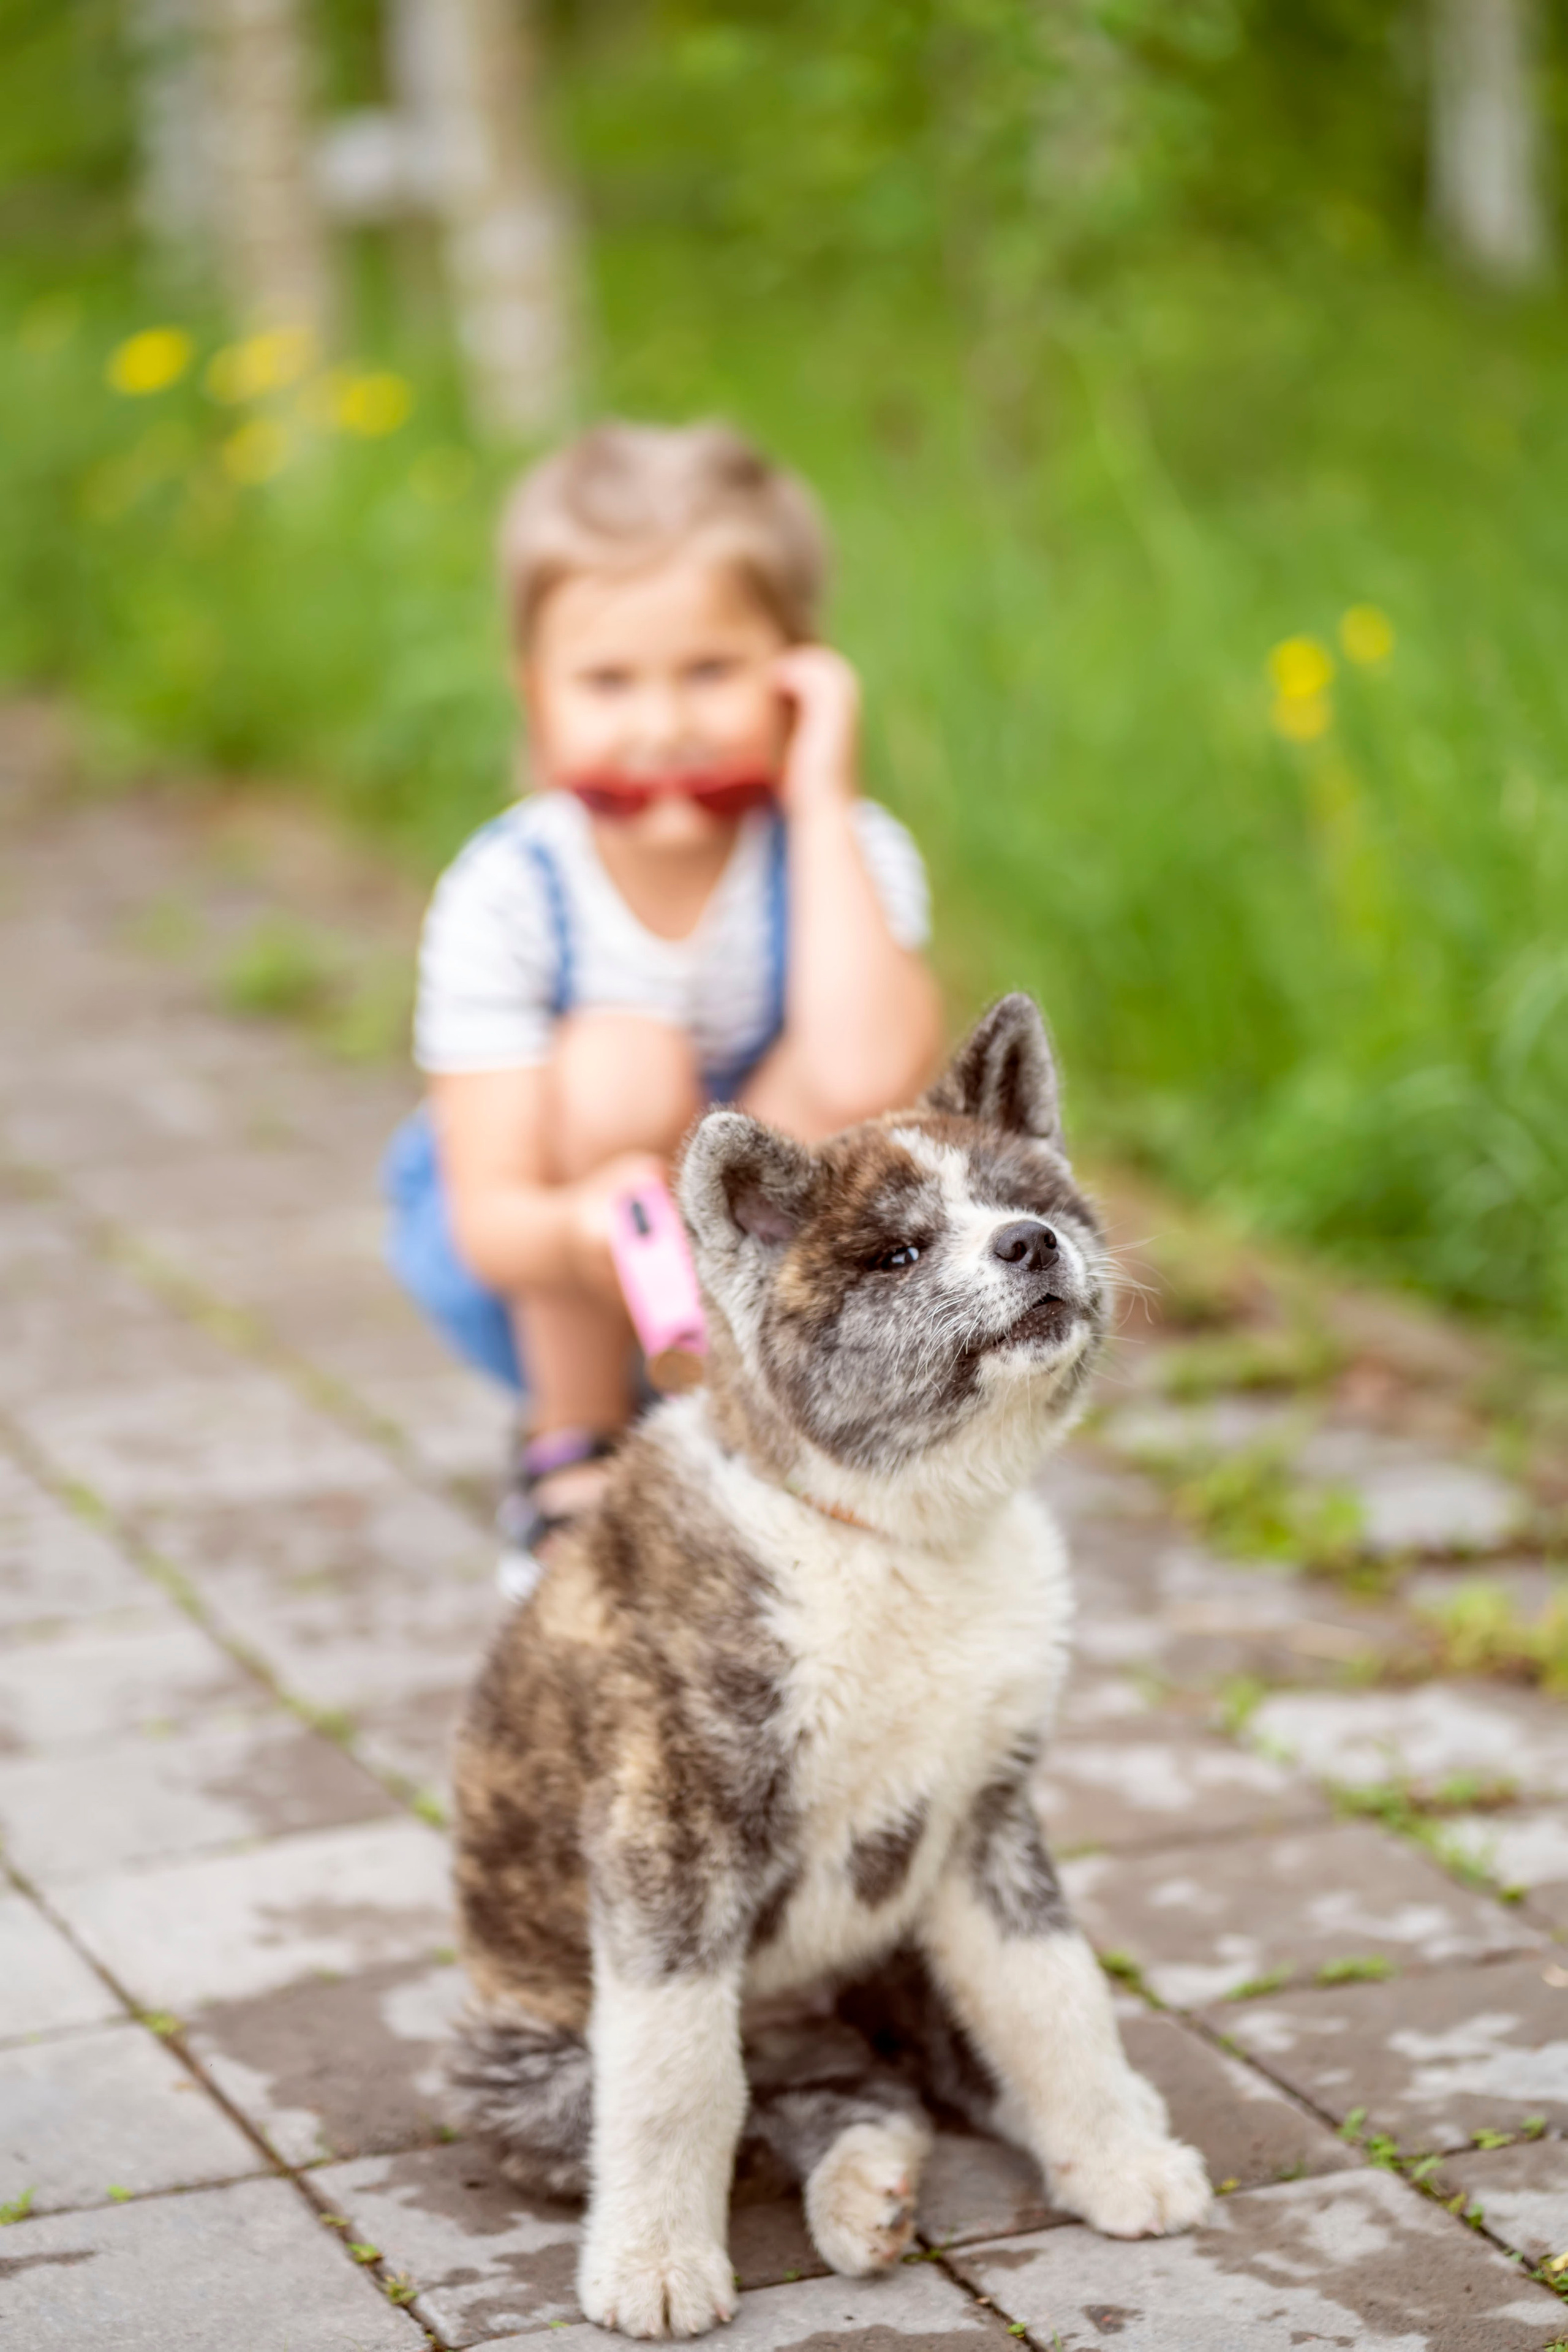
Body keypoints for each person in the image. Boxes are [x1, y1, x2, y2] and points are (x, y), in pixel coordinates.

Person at [386, 420, 942, 1594]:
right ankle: (574, 1439)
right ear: (535, 699)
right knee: (618, 1060)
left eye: (709, 671)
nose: (661, 724)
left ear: (796, 674)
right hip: (560, 1260)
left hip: (772, 1264)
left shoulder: (840, 852)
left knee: (834, 1054)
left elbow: (868, 1075)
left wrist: (823, 789)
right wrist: (587, 1227)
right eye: (607, 681)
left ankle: (757, 1434)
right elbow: (489, 1222)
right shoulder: (511, 888)